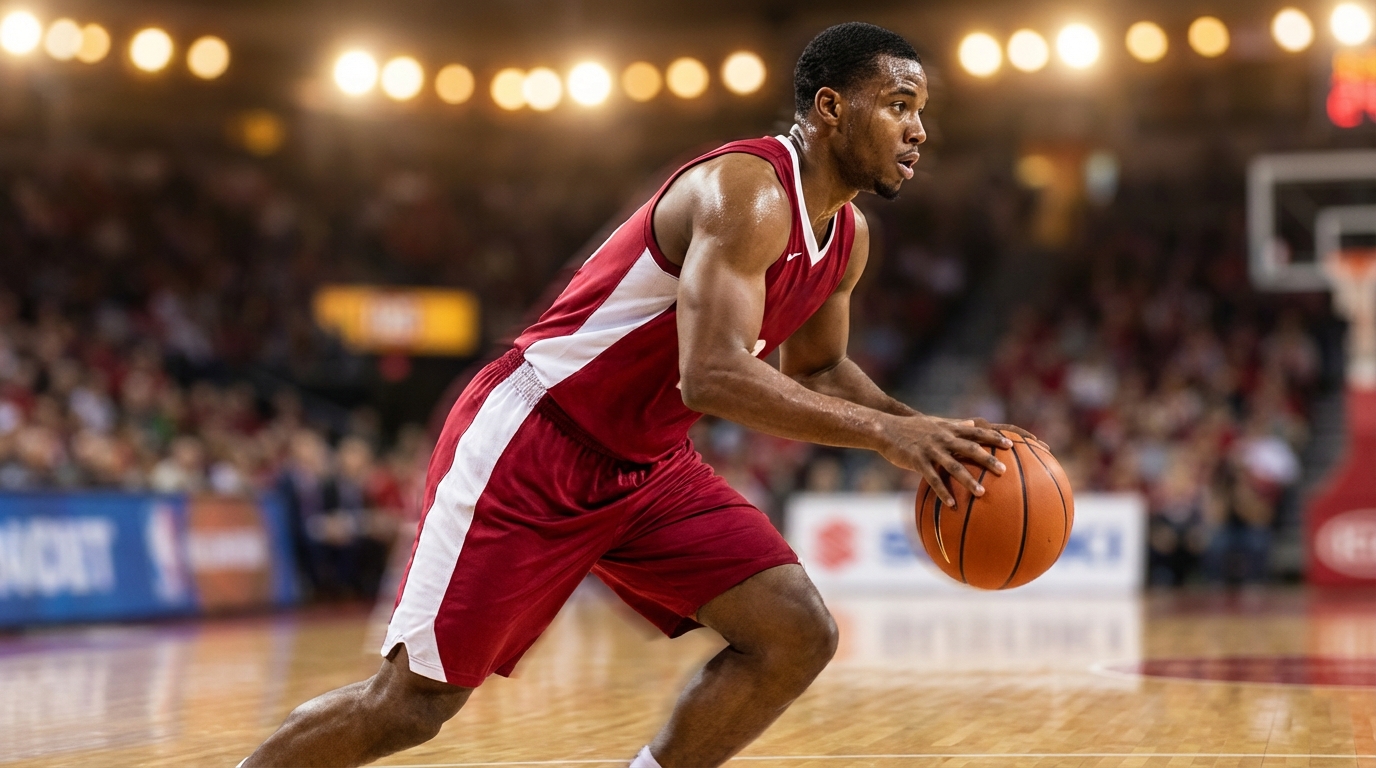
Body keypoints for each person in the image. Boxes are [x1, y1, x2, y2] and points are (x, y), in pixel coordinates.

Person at [243, 21, 1031, 768]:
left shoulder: (847, 237)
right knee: (411, 705)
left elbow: (817, 369)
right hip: (537, 439)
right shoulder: (747, 191)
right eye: (899, 106)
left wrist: (926, 428)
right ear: (831, 108)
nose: (918, 131)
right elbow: (713, 374)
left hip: (647, 464)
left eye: (920, 112)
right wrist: (890, 439)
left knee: (795, 631)